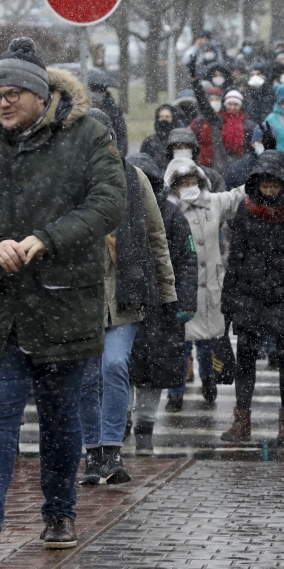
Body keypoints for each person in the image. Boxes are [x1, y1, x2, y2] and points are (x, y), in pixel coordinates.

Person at [0, 44, 125, 556]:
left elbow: (108, 202)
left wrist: (48, 236)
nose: (2, 103)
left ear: (41, 96)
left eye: (14, 94)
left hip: (64, 302)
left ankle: (60, 513)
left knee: (60, 416)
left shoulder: (88, 136)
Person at [78, 107, 176, 487]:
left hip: (126, 294)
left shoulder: (135, 180)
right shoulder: (69, 181)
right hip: (82, 296)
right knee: (86, 377)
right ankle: (92, 452)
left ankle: (112, 448)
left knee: (113, 365)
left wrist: (167, 293)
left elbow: (156, 237)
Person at [220, 151, 284, 445]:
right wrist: (230, 299)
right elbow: (235, 257)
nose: (269, 191)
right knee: (245, 360)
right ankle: (242, 419)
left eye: (275, 185)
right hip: (251, 294)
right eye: (264, 185)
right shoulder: (246, 211)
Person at [125, 153, 197, 455]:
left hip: (161, 306)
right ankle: (122, 420)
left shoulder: (171, 215)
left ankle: (145, 425)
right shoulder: (116, 210)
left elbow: (187, 259)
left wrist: (186, 301)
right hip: (126, 303)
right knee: (121, 367)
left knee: (152, 371)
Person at [163, 157, 245, 411]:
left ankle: (208, 380)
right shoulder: (168, 210)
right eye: (182, 182)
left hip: (211, 289)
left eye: (192, 180)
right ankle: (175, 391)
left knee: (208, 343)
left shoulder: (213, 203)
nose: (188, 185)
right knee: (180, 344)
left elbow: (238, 196)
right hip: (182, 288)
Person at [141, 104, 178, 171]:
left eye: (167, 117)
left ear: (173, 119)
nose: (164, 119)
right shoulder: (149, 141)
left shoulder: (177, 140)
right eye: (161, 117)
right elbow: (143, 161)